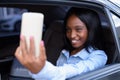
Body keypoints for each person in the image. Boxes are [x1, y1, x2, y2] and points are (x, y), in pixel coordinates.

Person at [15, 7, 108, 80]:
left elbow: (72, 71)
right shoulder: (65, 52)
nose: (72, 35)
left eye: (78, 29)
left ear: (91, 30)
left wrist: (41, 68)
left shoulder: (99, 57)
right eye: (68, 30)